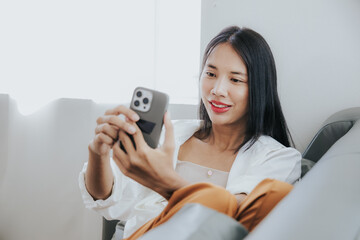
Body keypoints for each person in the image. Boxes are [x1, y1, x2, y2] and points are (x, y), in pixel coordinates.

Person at [79, 26, 301, 239]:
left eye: (235, 79)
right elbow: (104, 197)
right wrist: (97, 153)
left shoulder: (279, 158)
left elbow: (235, 219)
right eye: (211, 74)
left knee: (269, 194)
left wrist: (164, 182)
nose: (217, 90)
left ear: (258, 88)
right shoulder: (171, 135)